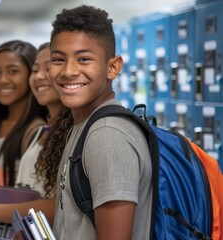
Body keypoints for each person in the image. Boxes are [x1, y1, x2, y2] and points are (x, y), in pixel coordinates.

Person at [49, 5, 152, 239]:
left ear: (112, 67)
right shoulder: (85, 126)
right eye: (58, 59)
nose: (68, 71)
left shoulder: (107, 135)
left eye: (84, 59)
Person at [0, 43, 73, 238]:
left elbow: (59, 205)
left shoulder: (68, 134)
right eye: (36, 69)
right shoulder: (42, 133)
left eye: (49, 68)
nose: (41, 76)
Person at [0, 40, 47, 205]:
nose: (3, 80)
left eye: (13, 71)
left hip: (15, 225)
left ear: (32, 74)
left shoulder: (36, 132)